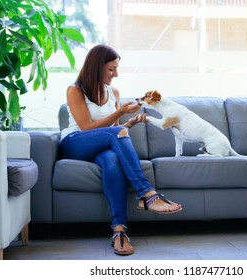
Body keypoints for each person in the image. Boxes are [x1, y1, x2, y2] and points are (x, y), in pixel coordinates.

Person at [59, 44, 182, 255]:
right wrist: (119, 113)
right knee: (114, 137)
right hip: (75, 142)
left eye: (116, 69)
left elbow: (116, 132)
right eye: (111, 69)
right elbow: (87, 126)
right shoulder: (75, 89)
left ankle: (119, 231)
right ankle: (147, 194)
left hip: (101, 146)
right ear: (97, 67)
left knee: (112, 160)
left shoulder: (113, 92)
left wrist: (130, 122)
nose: (116, 74)